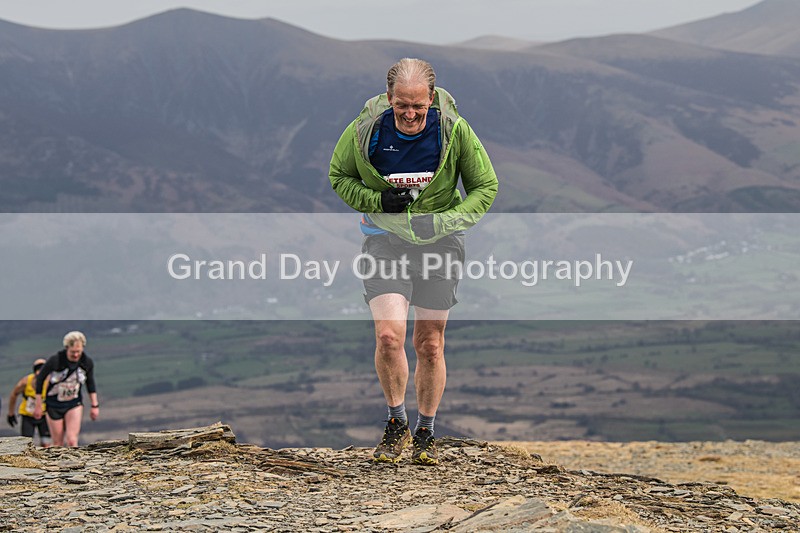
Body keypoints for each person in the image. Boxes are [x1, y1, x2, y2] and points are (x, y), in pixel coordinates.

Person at [329, 58, 498, 465]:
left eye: (418, 107)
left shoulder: (454, 132)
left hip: (440, 245)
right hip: (384, 241)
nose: (409, 114)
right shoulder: (364, 132)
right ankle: (395, 422)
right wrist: (377, 201)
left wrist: (443, 222)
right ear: (388, 98)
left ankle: (426, 430)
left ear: (432, 100)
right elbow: (339, 176)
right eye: (401, 104)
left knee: (430, 344)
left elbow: (484, 186)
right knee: (389, 336)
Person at [33, 331, 99, 447]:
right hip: (54, 404)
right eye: (73, 352)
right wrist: (38, 404)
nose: (76, 355)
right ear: (67, 348)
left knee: (72, 440)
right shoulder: (56, 360)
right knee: (57, 443)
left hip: (73, 403)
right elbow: (40, 379)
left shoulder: (86, 362)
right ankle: (58, 465)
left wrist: (94, 405)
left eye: (78, 352)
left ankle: (75, 464)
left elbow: (90, 383)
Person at [7, 358, 52, 447]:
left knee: (46, 442)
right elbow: (14, 394)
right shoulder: (25, 382)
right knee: (26, 443)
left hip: (44, 415)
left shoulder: (49, 382)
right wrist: (11, 413)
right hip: (27, 415)